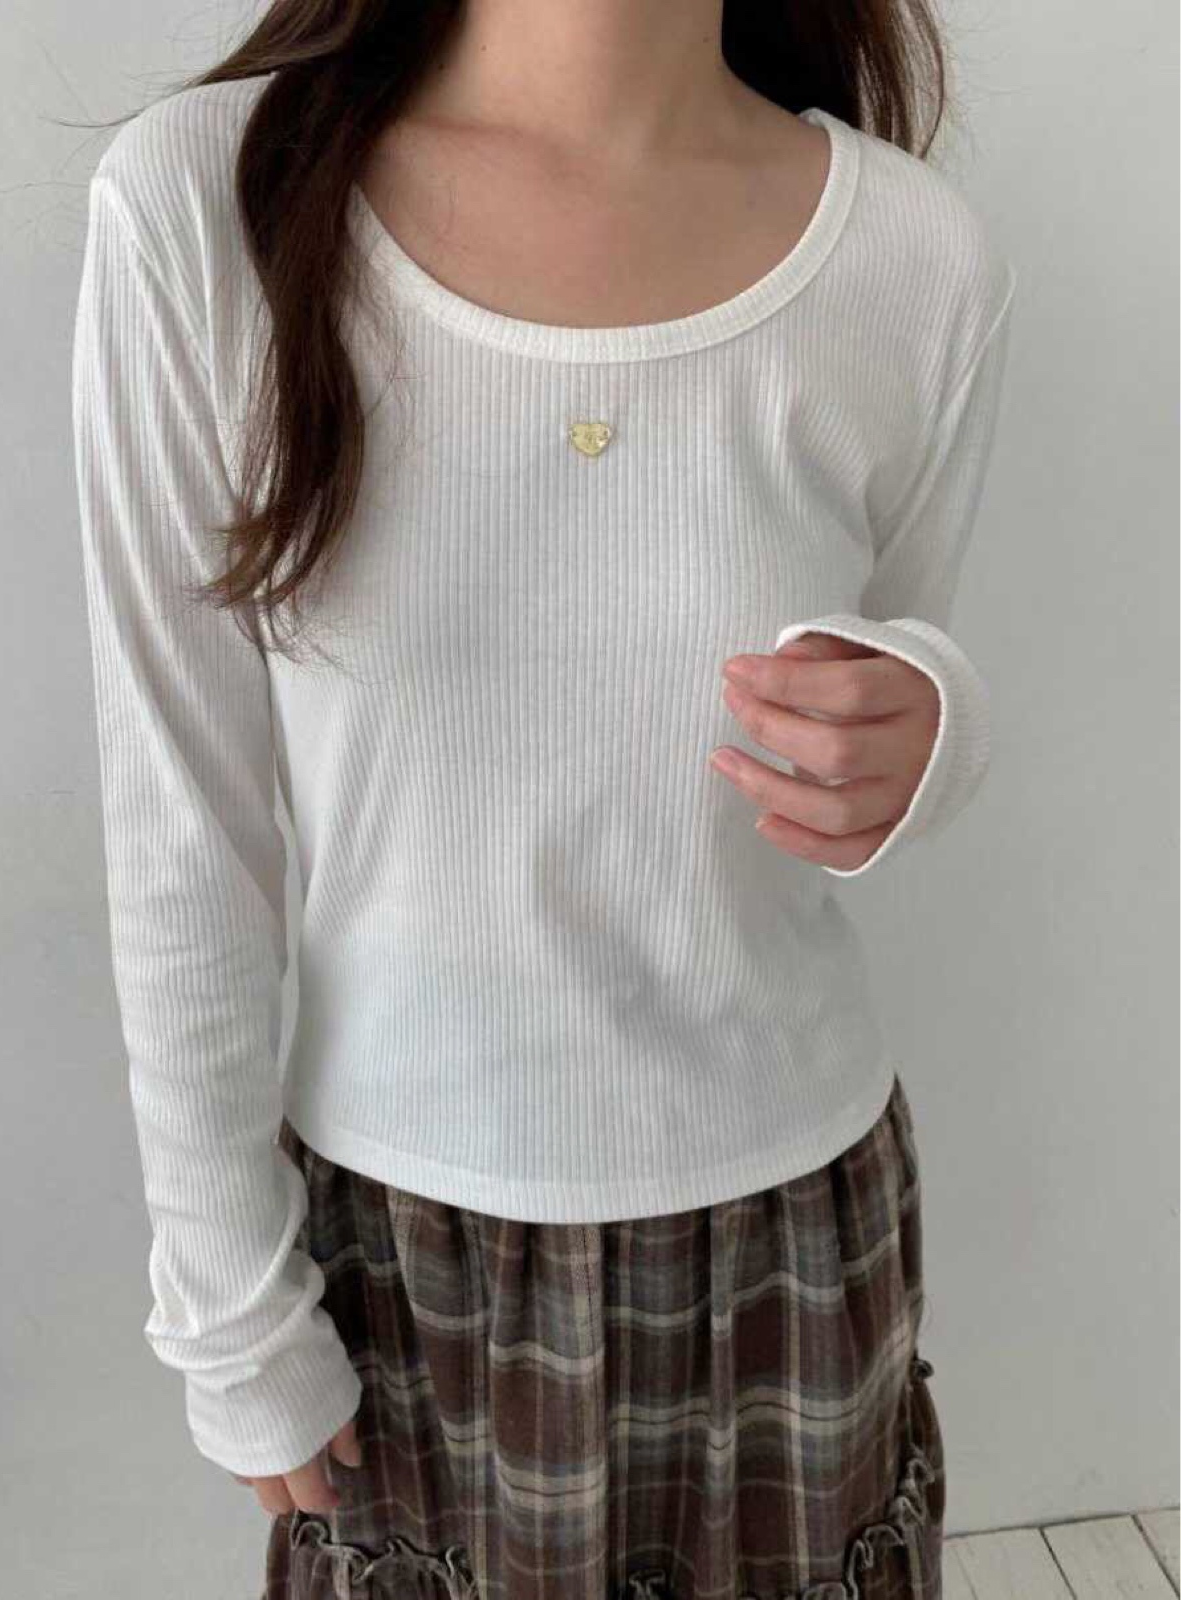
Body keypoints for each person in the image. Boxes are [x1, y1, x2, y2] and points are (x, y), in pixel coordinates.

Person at [71, 2, 1017, 1595]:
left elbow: (886, 682)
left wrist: (936, 726)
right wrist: (227, 1302)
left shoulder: (916, 262)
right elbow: (181, 820)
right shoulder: (208, 202)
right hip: (400, 1243)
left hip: (792, 1220)